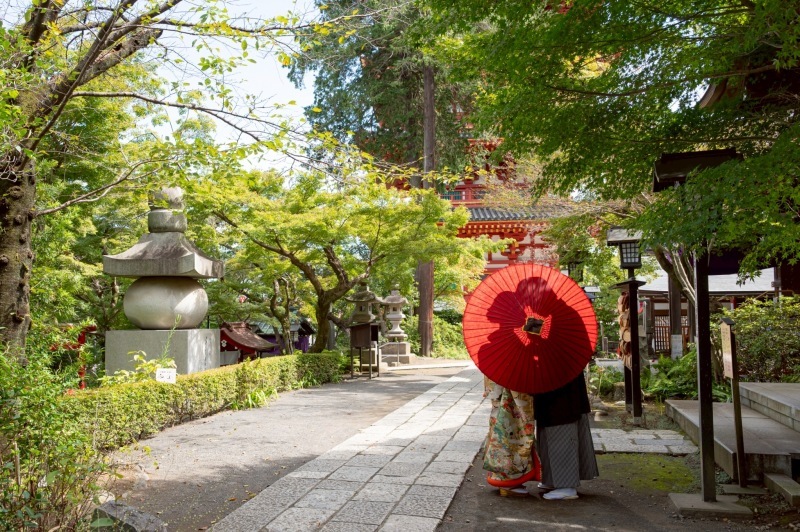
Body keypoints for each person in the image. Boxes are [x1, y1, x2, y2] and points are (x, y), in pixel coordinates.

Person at [533, 371, 599, 500]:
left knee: (561, 437)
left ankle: (566, 486)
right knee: (548, 436)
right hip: (552, 390)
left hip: (562, 395)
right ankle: (552, 479)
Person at [482, 377, 540, 497]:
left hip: (498, 372)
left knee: (500, 418)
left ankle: (502, 476)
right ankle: (509, 481)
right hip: (511, 378)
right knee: (512, 423)